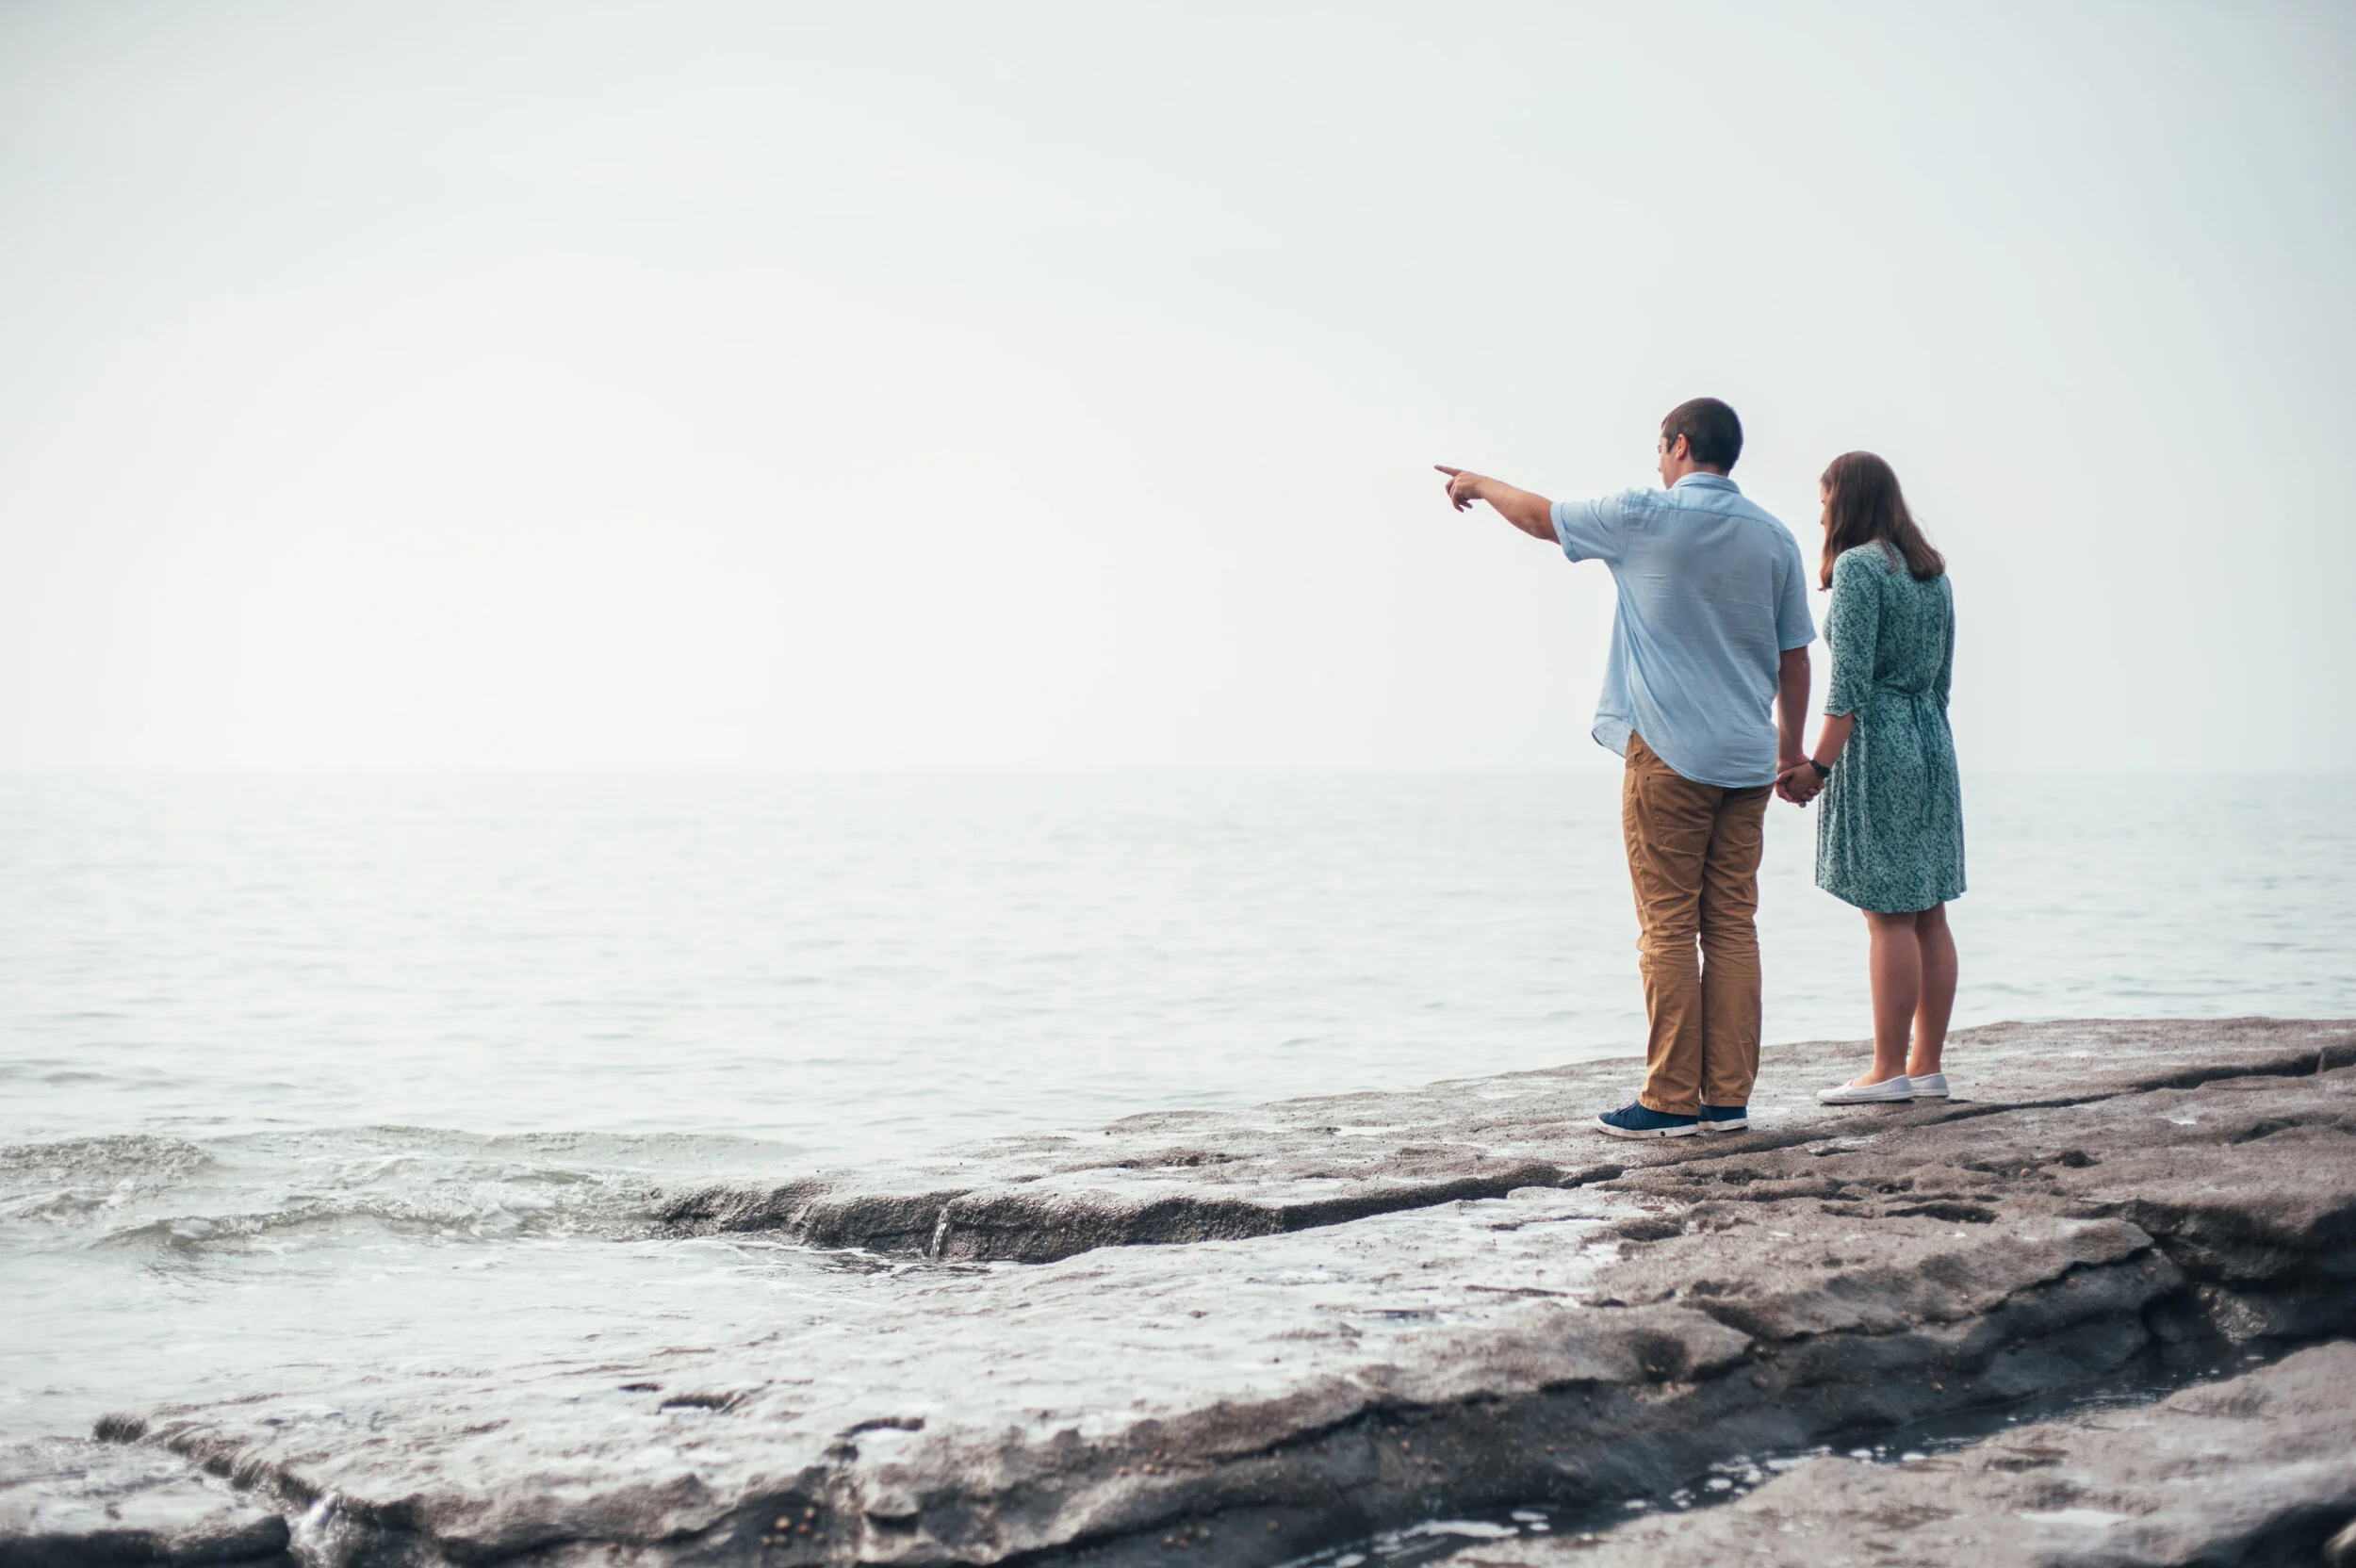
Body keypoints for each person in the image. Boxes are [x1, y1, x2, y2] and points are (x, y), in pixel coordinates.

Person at [1438, 398, 1816, 1138]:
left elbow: (1542, 518)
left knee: (1668, 926)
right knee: (1732, 925)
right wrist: (1790, 753)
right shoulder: (1775, 537)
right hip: (1747, 761)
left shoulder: (1646, 514)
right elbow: (1795, 657)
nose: (1657, 461)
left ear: (1680, 446)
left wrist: (1477, 482)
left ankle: (1670, 1100)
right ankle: (1727, 1101)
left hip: (1670, 755)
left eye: (1659, 447)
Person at [1776, 451, 1965, 1103]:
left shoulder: (1860, 568)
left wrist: (1816, 767)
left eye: (1824, 499)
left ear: (1848, 500)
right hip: (1932, 739)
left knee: (1887, 916)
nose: (1820, 513)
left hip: (1880, 743)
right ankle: (1926, 1065)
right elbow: (1941, 682)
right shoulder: (1932, 573)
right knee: (1929, 910)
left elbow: (1849, 688)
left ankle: (1887, 1071)